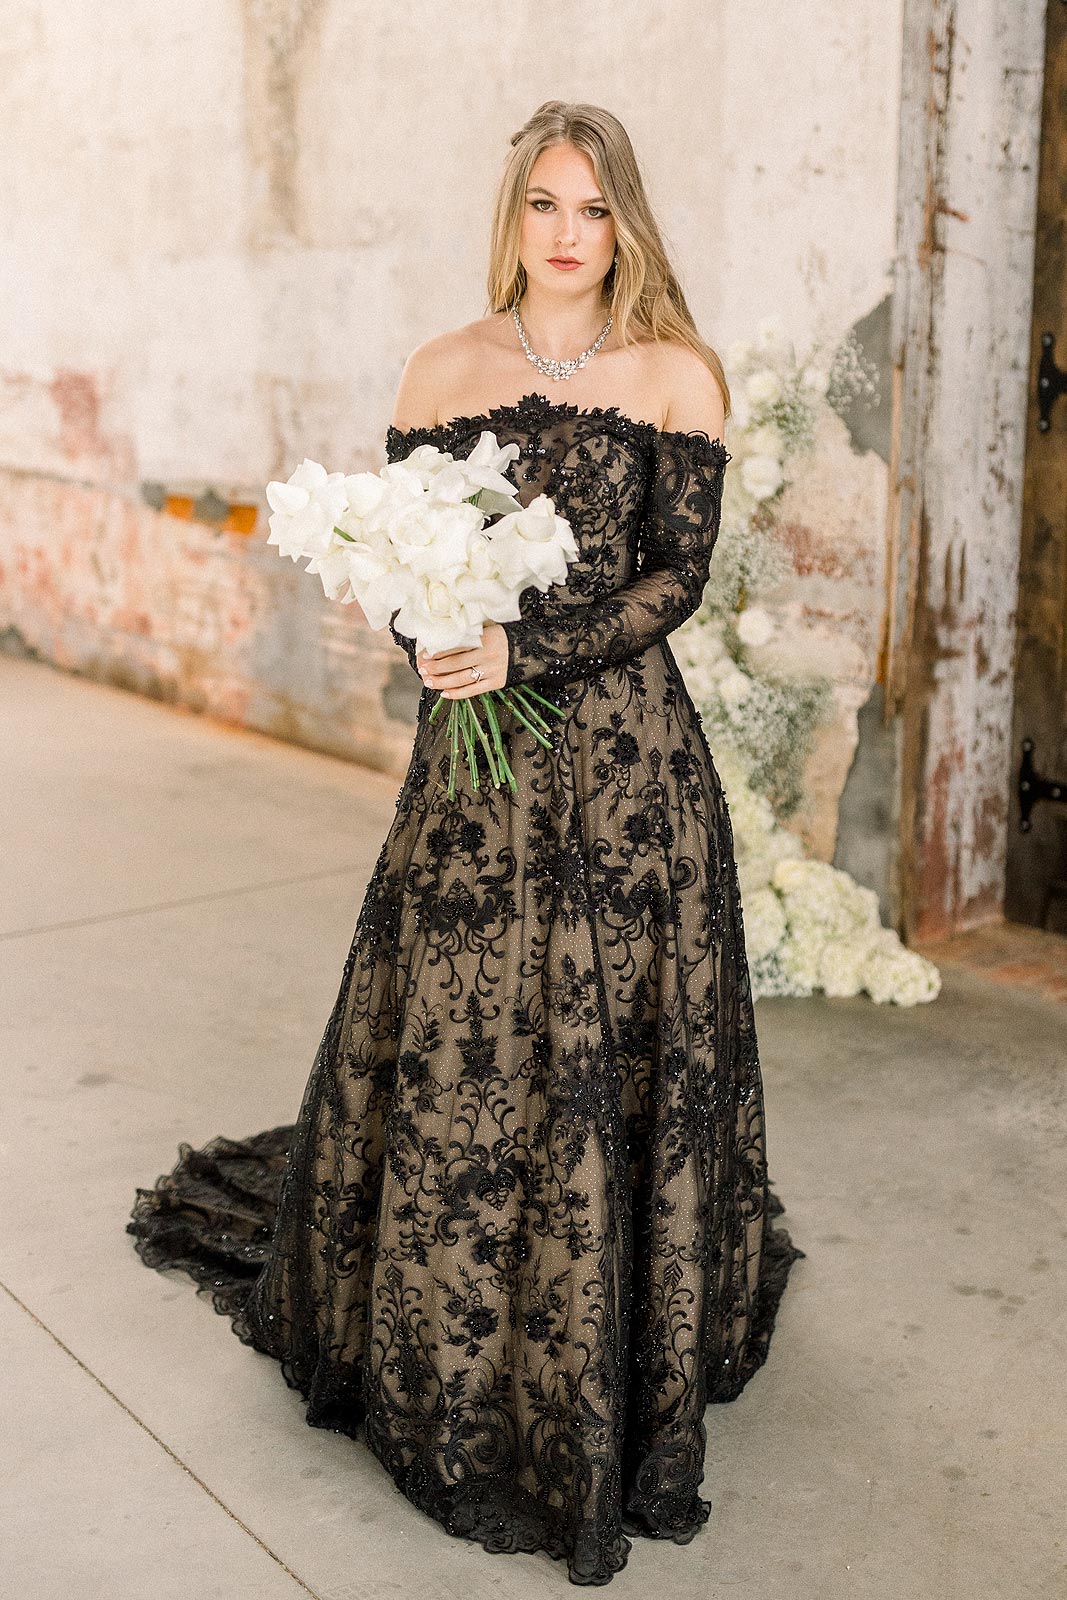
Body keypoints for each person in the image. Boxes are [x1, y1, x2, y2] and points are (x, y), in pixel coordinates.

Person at [128, 99, 804, 1587]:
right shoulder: (445, 369)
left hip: (630, 776)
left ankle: (605, 1330)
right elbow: (396, 559)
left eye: (595, 211)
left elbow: (676, 581)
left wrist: (523, 642)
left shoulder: (674, 376)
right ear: (511, 215)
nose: (568, 236)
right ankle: (460, 1345)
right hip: (476, 774)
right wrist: (434, 627)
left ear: (626, 223)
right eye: (545, 206)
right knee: (469, 1038)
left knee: (606, 1042)